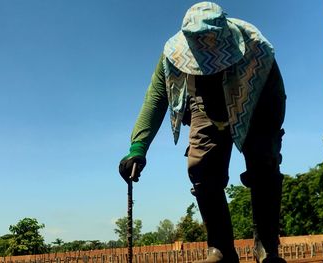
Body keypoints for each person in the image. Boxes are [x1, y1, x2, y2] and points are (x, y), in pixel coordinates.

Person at [119, 2, 286, 263]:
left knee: (264, 165)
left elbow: (276, 96)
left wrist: (270, 140)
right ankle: (220, 249)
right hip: (204, 104)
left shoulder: (257, 49)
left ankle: (266, 247)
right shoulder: (172, 56)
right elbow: (155, 99)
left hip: (255, 99)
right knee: (202, 166)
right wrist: (137, 147)